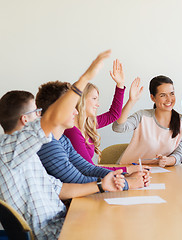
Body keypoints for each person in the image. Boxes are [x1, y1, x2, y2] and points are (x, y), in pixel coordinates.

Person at [0, 50, 129, 239]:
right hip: (51, 232)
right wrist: (85, 78)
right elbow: (51, 117)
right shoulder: (8, 150)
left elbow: (60, 188)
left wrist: (103, 185)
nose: (41, 116)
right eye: (37, 113)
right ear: (25, 120)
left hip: (62, 219)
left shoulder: (27, 154)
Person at [35, 80, 149, 187]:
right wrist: (126, 180)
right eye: (94, 98)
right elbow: (80, 179)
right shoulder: (62, 137)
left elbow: (88, 169)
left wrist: (125, 176)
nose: (75, 111)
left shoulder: (67, 138)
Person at [112, 76, 182, 167]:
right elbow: (118, 127)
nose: (169, 99)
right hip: (128, 169)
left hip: (158, 172)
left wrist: (167, 160)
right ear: (153, 98)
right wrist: (131, 101)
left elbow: (179, 153)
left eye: (171, 93)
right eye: (163, 95)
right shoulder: (142, 116)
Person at [64, 59, 126, 167]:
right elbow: (89, 169)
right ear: (81, 100)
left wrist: (120, 85)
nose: (98, 104)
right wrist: (127, 170)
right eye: (94, 99)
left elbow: (113, 114)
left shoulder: (88, 123)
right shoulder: (72, 131)